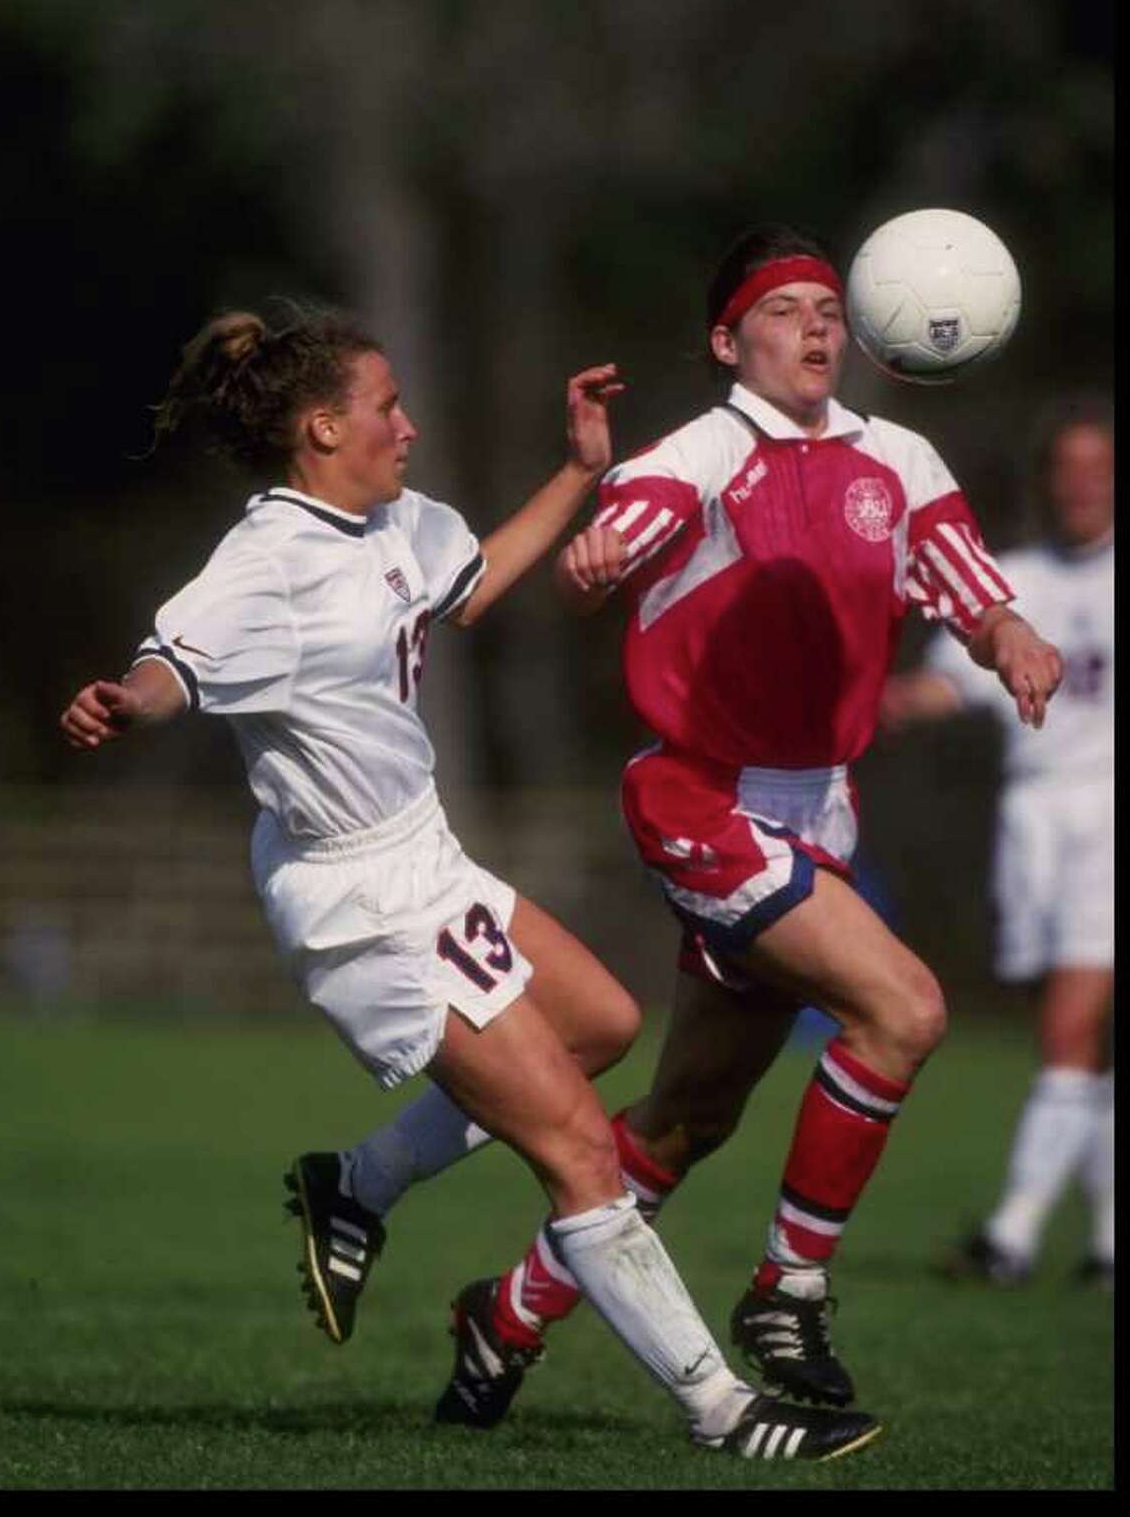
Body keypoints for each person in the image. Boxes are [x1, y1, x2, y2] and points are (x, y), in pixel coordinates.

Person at [60, 298, 882, 1464]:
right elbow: (171, 663)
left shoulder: (390, 520)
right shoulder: (269, 559)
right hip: (357, 901)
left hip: (425, 856)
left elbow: (472, 581)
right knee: (578, 1148)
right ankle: (724, 1409)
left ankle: (358, 1182)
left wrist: (577, 471)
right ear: (319, 429)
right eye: (386, 406)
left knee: (601, 1020)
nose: (408, 424)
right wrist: (122, 699)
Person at [309, 227, 1063, 1426]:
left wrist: (1009, 635)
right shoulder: (707, 450)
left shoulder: (902, 460)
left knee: (688, 1114)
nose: (816, 325)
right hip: (700, 799)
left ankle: (503, 1316)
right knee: (906, 1008)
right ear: (729, 341)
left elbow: (965, 582)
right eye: (785, 310)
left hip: (818, 809)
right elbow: (630, 524)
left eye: (828, 307)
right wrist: (597, 556)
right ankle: (789, 1287)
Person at [879, 401, 1113, 1289]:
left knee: (1072, 1025)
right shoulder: (1013, 581)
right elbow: (949, 685)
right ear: (1052, 481)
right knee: (1079, 1039)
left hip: (1109, 818)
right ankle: (1106, 1246)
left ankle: (1011, 1235)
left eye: (1102, 465)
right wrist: (884, 706)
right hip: (1036, 823)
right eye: (1072, 466)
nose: (1086, 482)